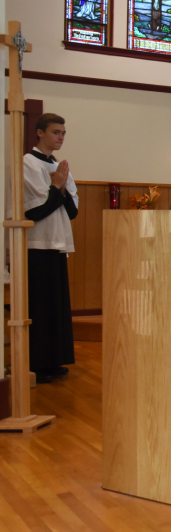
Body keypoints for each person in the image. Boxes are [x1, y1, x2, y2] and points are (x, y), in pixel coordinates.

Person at [23, 114, 79, 384]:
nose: (61, 137)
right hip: (37, 242)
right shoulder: (28, 163)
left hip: (58, 242)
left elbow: (73, 211)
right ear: (40, 133)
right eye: (56, 132)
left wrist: (61, 187)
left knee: (56, 305)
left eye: (64, 133)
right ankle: (37, 362)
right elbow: (36, 208)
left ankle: (55, 358)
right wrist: (56, 186)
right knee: (40, 305)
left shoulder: (60, 166)